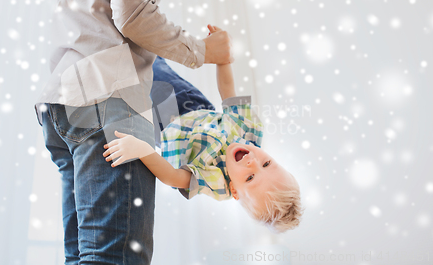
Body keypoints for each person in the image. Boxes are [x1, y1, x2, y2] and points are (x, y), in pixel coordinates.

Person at [35, 0, 233, 264]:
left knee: (85, 256)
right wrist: (203, 51)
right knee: (115, 258)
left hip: (65, 102)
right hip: (107, 101)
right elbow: (135, 15)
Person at [104, 26, 304, 234]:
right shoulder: (248, 131)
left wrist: (141, 150)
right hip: (192, 103)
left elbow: (173, 176)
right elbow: (228, 92)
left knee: (128, 80)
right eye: (266, 163)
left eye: (250, 177)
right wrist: (222, 59)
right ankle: (130, 31)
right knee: (154, 65)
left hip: (163, 123)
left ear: (234, 190)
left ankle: (105, 50)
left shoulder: (216, 181)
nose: (252, 161)